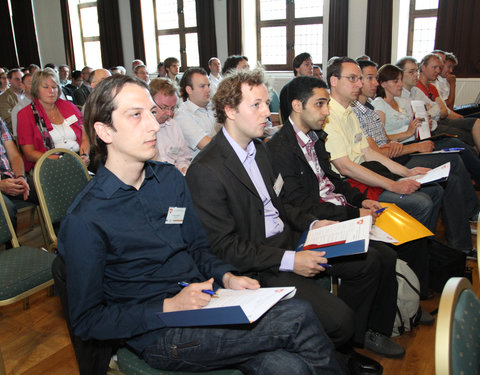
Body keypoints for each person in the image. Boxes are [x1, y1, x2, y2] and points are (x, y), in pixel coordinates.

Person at [58, 74, 341, 375]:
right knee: (296, 315)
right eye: (136, 115)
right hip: (160, 333)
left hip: (208, 300)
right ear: (104, 131)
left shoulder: (168, 180)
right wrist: (169, 306)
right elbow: (87, 321)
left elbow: (197, 247)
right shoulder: (86, 218)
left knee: (289, 367)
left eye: (152, 113)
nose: (155, 125)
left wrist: (227, 277)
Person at [186, 69, 404, 367]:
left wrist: (314, 226)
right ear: (229, 111)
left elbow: (281, 205)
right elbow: (226, 247)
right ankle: (336, 349)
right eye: (257, 105)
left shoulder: (259, 149)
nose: (268, 112)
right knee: (340, 320)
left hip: (291, 240)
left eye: (266, 103)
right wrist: (291, 259)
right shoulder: (207, 169)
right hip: (261, 264)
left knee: (370, 261)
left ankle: (344, 348)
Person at [324, 57, 442, 232]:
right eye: (352, 78)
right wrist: (393, 185)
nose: (359, 84)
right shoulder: (328, 115)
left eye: (359, 79)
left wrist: (407, 172)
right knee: (421, 202)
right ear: (334, 81)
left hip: (368, 171)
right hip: (350, 184)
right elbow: (345, 167)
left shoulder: (349, 111)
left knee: (435, 190)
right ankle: (407, 252)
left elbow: (369, 152)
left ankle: (422, 246)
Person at [371, 64, 479, 254]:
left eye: (399, 79)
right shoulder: (379, 104)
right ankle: (471, 214)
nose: (399, 84)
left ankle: (460, 245)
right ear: (384, 84)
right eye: (395, 80)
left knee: (452, 170)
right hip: (402, 155)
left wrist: (423, 123)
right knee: (454, 159)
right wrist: (410, 132)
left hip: (416, 146)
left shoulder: (401, 102)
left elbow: (426, 115)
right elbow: (383, 139)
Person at [17, 68, 90, 173]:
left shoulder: (69, 106)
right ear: (36, 89)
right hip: (48, 165)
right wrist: (62, 161)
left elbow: (85, 135)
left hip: (78, 160)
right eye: (46, 87)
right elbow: (29, 153)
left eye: (54, 87)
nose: (51, 91)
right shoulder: (25, 114)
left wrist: (85, 155)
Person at [0, 117, 36, 227]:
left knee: (47, 188)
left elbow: (14, 155)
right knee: (5, 209)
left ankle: (62, 234)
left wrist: (20, 177)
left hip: (10, 175)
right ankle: (11, 244)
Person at [150, 78, 191, 174]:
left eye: (172, 108)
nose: (169, 113)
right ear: (150, 102)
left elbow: (183, 157)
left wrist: (184, 168)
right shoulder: (140, 129)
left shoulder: (173, 125)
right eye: (164, 107)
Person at [175, 67, 216, 158]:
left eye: (208, 85)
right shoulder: (182, 115)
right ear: (189, 90)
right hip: (201, 167)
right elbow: (206, 145)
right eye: (202, 86)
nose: (208, 90)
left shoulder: (212, 108)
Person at [279, 52, 314, 123]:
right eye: (307, 64)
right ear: (297, 68)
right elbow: (290, 115)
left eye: (312, 65)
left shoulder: (310, 88)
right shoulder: (288, 89)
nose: (311, 68)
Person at [11, 73, 33, 137]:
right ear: (22, 86)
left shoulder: (45, 104)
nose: (35, 86)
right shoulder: (18, 109)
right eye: (31, 83)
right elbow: (17, 136)